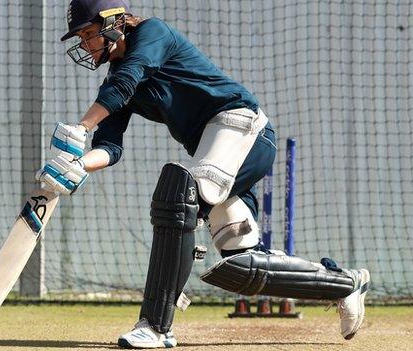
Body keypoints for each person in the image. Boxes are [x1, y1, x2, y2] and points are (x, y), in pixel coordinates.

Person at [36, 0, 371, 348]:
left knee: (179, 191)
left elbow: (129, 77)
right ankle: (344, 283)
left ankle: (155, 327)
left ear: (113, 23)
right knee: (243, 263)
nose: (86, 45)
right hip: (214, 152)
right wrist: (78, 165)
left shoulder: (151, 33)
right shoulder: (117, 79)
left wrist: (80, 126)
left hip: (239, 127)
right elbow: (111, 147)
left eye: (89, 34)